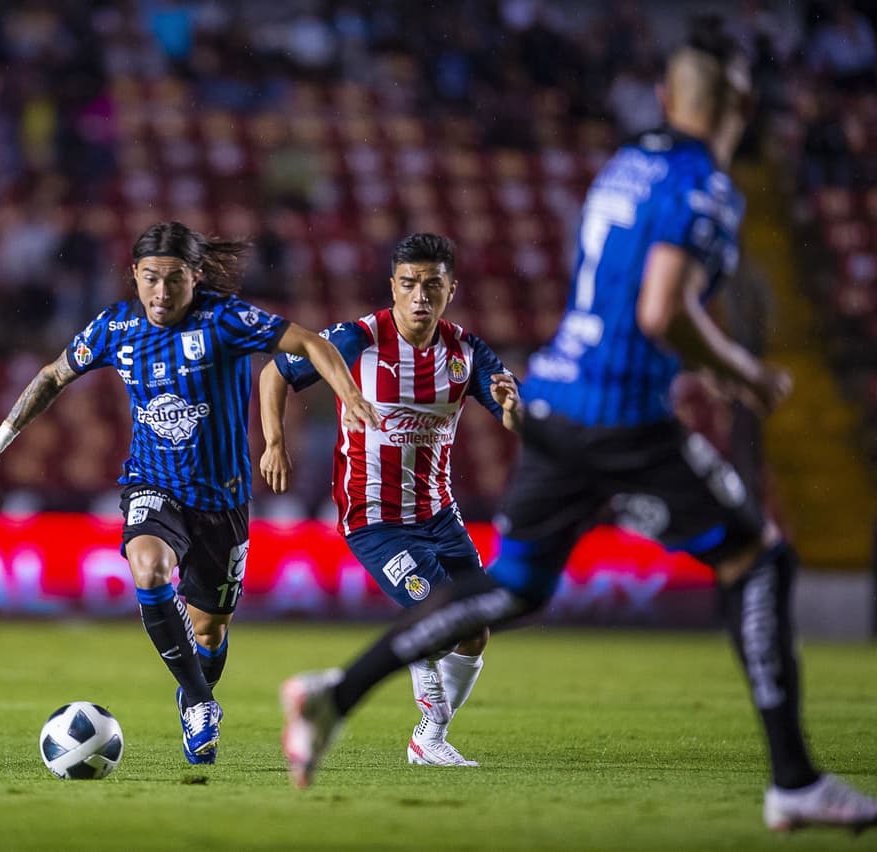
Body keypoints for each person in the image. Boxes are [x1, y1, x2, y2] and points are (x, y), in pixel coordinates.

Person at [279, 18, 877, 834]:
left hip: (560, 404)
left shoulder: (626, 167)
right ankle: (795, 779)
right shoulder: (705, 187)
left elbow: (541, 352)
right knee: (758, 558)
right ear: (742, 100)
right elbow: (661, 309)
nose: (422, 296)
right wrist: (740, 371)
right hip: (618, 415)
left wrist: (519, 402)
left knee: (509, 591)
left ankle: (335, 696)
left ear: (665, 97)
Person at [0, 221, 378, 765]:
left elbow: (310, 343)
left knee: (209, 629)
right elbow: (52, 376)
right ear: (135, 275)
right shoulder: (115, 326)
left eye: (175, 279)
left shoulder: (225, 318)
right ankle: (202, 703)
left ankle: (195, 696)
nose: (162, 292)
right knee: (149, 569)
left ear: (196, 276)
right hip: (153, 485)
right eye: (151, 278)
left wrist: (347, 395)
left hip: (223, 501)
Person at [259, 233, 521, 768]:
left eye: (432, 285)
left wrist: (513, 407)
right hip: (374, 518)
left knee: (474, 630)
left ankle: (430, 737)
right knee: (433, 612)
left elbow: (515, 422)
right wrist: (275, 442)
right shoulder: (358, 340)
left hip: (440, 515)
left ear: (452, 288)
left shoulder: (468, 353)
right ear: (393, 288)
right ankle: (428, 737)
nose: (420, 296)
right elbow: (274, 373)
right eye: (409, 285)